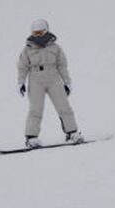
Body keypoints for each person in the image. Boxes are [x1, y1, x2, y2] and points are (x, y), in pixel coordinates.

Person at [17, 19, 83, 148]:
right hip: (36, 80)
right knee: (35, 109)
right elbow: (22, 66)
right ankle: (31, 138)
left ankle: (72, 133)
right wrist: (21, 82)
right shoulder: (28, 49)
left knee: (64, 106)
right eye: (35, 33)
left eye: (40, 33)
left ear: (46, 31)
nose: (38, 36)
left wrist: (67, 82)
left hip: (54, 78)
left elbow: (62, 66)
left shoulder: (56, 48)